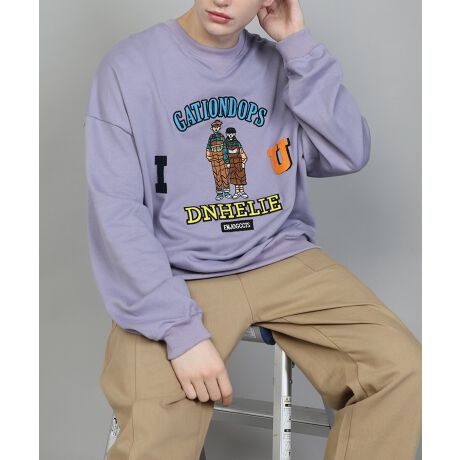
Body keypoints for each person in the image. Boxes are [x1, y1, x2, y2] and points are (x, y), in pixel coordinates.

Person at [84, 1, 422, 459]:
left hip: (281, 257)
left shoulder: (281, 65)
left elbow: (348, 152)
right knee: (158, 433)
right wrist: (180, 332)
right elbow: (116, 212)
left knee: (400, 369)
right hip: (181, 272)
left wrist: (298, 47)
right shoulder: (128, 68)